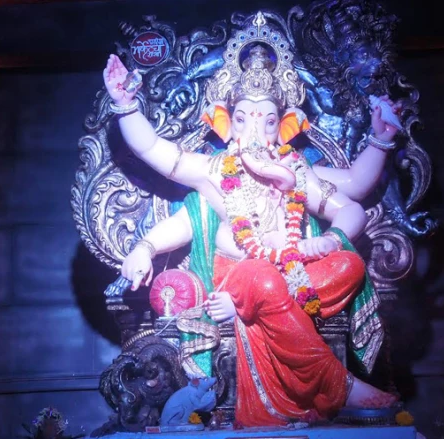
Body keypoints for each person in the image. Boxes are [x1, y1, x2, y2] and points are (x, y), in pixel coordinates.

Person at [102, 36, 399, 426]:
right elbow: (154, 150)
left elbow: (353, 197)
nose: (255, 132)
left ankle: (268, 306)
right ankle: (339, 387)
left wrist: (329, 237)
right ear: (226, 122)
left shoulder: (295, 170)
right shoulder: (214, 171)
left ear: (285, 126)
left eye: (267, 121)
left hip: (291, 276)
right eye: (243, 119)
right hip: (239, 278)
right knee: (260, 275)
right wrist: (125, 104)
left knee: (349, 266)